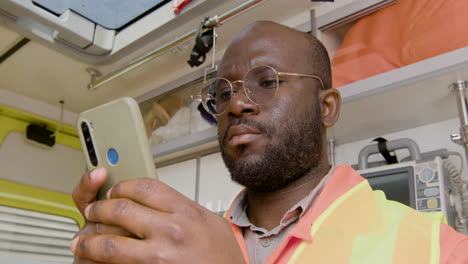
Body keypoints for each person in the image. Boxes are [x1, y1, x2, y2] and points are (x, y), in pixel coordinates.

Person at [70, 21, 468, 264]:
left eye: (267, 82)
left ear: (326, 107)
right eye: (222, 93)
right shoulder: (180, 243)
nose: (237, 104)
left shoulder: (439, 251)